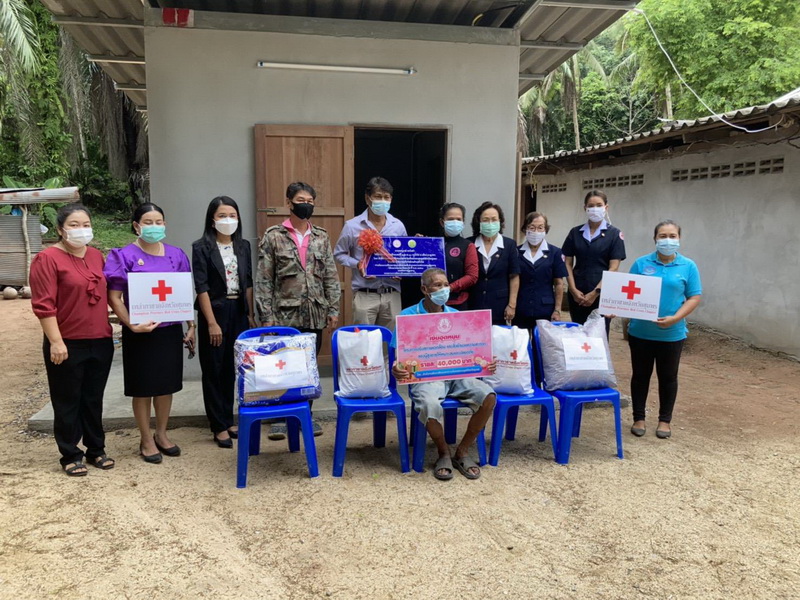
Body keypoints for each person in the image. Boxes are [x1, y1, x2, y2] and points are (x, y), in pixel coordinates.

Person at [104, 203, 194, 463]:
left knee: (166, 386)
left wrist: (191, 325)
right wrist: (130, 323)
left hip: (168, 331)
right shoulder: (123, 256)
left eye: (159, 222)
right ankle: (145, 438)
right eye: (148, 221)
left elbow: (181, 293)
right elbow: (114, 296)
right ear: (136, 225)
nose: (154, 227)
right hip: (140, 332)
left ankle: (162, 434)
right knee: (142, 388)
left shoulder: (176, 255)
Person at [29, 204, 115, 476]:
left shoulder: (96, 256)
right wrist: (55, 341)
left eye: (86, 224)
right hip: (66, 341)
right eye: (74, 225)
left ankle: (96, 449)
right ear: (60, 229)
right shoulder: (47, 259)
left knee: (93, 398)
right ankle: (70, 453)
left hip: (100, 339)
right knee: (67, 399)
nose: (81, 230)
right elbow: (44, 305)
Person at [392, 268, 497, 481]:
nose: (444, 289)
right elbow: (399, 355)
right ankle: (443, 452)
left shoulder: (457, 317)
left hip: (458, 375)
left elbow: (473, 351)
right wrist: (397, 368)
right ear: (424, 289)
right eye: (437, 285)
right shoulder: (407, 317)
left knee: (488, 396)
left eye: (446, 285)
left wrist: (487, 362)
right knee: (429, 405)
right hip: (426, 377)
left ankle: (463, 451)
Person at [256, 182, 341, 439]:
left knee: (308, 367)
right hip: (284, 315)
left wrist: (333, 308)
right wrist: (266, 318)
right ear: (289, 203)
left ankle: (306, 413)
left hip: (314, 312)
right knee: (284, 366)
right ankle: (282, 417)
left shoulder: (321, 236)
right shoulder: (273, 236)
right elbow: (264, 280)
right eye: (301, 199)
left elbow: (330, 275)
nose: (306, 204)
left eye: (310, 200)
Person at [628, 220, 702, 439]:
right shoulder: (641, 264)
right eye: (662, 236)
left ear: (679, 239)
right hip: (640, 332)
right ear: (655, 239)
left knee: (668, 377)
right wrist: (615, 308)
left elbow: (694, 296)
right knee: (640, 376)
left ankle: (664, 421)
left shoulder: (688, 266)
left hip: (672, 333)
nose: (667, 240)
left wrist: (675, 318)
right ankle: (638, 417)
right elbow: (624, 294)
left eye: (672, 236)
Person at [192, 196, 256, 449]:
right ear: (212, 219)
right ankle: (217, 425)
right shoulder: (201, 247)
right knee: (214, 369)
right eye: (222, 216)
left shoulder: (243, 246)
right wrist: (210, 322)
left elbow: (248, 281)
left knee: (233, 368)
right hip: (215, 312)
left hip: (238, 311)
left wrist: (250, 314)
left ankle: (229, 420)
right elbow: (201, 286)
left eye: (232, 215)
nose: (228, 220)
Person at [334, 176, 407, 327]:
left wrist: (415, 248)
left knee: (390, 343)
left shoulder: (398, 225)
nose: (383, 201)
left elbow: (405, 255)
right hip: (365, 294)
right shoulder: (352, 226)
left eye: (386, 197)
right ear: (368, 199)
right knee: (364, 342)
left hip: (391, 294)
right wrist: (357, 264)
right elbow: (338, 254)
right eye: (378, 197)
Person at [562, 190, 626, 332]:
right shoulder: (575, 232)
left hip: (602, 295)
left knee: (599, 336)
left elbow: (613, 268)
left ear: (606, 208)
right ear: (585, 208)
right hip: (577, 294)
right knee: (578, 334)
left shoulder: (614, 234)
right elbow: (567, 263)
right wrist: (572, 289)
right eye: (591, 205)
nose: (595, 209)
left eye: (599, 205)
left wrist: (595, 292)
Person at [468, 201, 520, 325]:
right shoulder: (469, 243)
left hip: (500, 305)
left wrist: (512, 305)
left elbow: (514, 276)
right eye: (485, 220)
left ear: (500, 222)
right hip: (473, 304)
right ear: (478, 222)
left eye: (494, 219)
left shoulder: (509, 245)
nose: (490, 223)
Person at [513, 211, 568, 329]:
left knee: (542, 345)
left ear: (545, 230)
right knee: (521, 345)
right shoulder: (516, 252)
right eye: (531, 228)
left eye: (540, 228)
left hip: (545, 309)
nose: (535, 232)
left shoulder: (555, 252)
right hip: (521, 308)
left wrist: (557, 310)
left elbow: (559, 283)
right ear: (525, 229)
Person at [439, 202, 478, 310]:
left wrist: (449, 288)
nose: (455, 222)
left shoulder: (468, 246)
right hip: (433, 302)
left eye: (458, 219)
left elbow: (472, 276)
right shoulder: (432, 243)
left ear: (463, 222)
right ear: (442, 222)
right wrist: (418, 244)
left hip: (458, 302)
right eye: (451, 219)